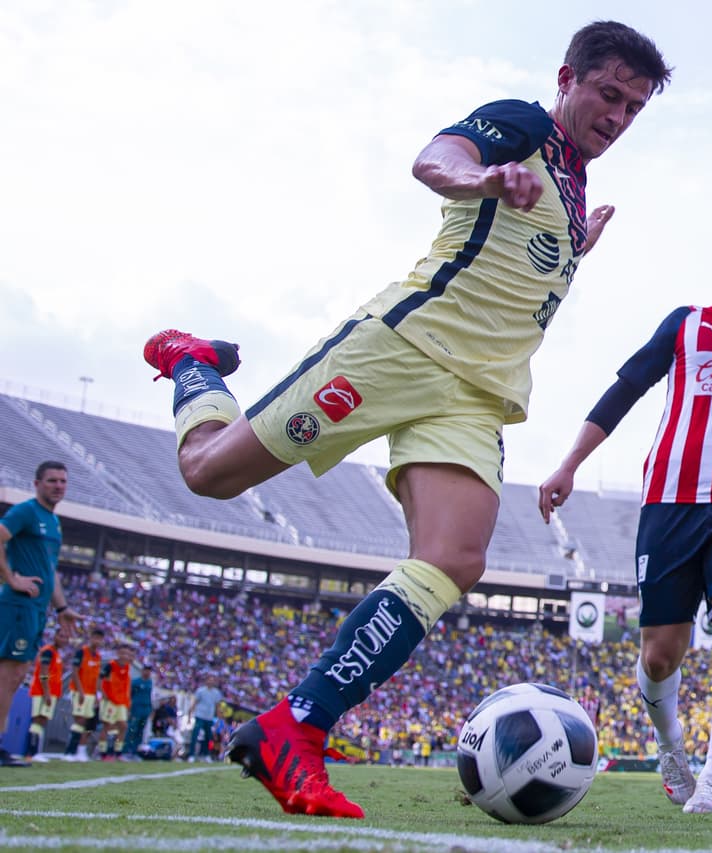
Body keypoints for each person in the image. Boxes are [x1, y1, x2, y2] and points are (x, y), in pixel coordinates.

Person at [140, 20, 671, 819]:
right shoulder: (522, 125)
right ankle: (192, 363)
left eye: (632, 107)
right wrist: (483, 179)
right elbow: (435, 159)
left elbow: (517, 267)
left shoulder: (572, 185)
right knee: (208, 473)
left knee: (455, 557)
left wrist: (577, 246)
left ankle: (297, 725)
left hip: (474, 395)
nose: (617, 116)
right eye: (608, 94)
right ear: (569, 78)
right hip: (399, 352)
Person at [539, 227, 712, 813]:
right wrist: (569, 465)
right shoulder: (688, 325)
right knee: (661, 654)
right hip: (669, 504)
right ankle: (672, 749)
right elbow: (627, 389)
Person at [0, 461, 80, 767]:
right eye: (52, 481)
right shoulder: (26, 511)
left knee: (16, 674)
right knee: (8, 675)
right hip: (18, 605)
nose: (58, 486)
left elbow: (49, 570)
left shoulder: (52, 521)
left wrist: (62, 608)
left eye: (62, 481)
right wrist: (11, 578)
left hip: (36, 608)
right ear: (37, 484)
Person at [24, 624, 70, 762]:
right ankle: (31, 753)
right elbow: (43, 673)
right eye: (61, 636)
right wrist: (47, 692)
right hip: (42, 692)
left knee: (42, 721)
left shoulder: (56, 653)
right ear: (55, 636)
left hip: (50, 693)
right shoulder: (48, 652)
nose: (63, 639)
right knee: (38, 719)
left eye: (66, 637)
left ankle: (34, 752)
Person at [65, 626, 105, 761]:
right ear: (90, 638)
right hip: (79, 691)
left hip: (91, 693)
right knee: (79, 720)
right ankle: (69, 751)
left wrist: (97, 694)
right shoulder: (81, 652)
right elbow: (75, 672)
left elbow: (97, 677)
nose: (97, 641)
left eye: (100, 639)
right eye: (95, 638)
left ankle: (80, 751)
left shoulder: (98, 657)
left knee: (87, 723)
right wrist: (80, 691)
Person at [97, 641, 135, 760]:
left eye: (127, 654)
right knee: (107, 726)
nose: (125, 656)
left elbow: (126, 686)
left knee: (123, 726)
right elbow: (99, 679)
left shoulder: (128, 667)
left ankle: (117, 752)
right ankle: (103, 753)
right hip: (110, 701)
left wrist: (128, 701)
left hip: (121, 702)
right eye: (123, 653)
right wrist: (102, 694)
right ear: (118, 653)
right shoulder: (111, 665)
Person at [187, 674, 223, 761]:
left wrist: (219, 719)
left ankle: (206, 755)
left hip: (209, 717)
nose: (210, 681)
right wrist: (189, 714)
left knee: (208, 737)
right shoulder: (200, 691)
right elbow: (195, 702)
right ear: (206, 681)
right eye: (209, 680)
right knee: (195, 735)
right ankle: (191, 755)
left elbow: (217, 706)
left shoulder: (216, 693)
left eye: (212, 680)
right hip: (200, 716)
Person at [122, 664, 154, 760]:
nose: (147, 672)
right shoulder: (135, 682)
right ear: (142, 671)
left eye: (149, 670)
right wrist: (128, 708)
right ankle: (126, 751)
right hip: (135, 710)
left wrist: (150, 710)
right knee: (131, 730)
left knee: (140, 732)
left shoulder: (150, 683)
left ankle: (135, 751)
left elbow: (150, 697)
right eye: (146, 670)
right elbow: (129, 695)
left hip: (145, 710)